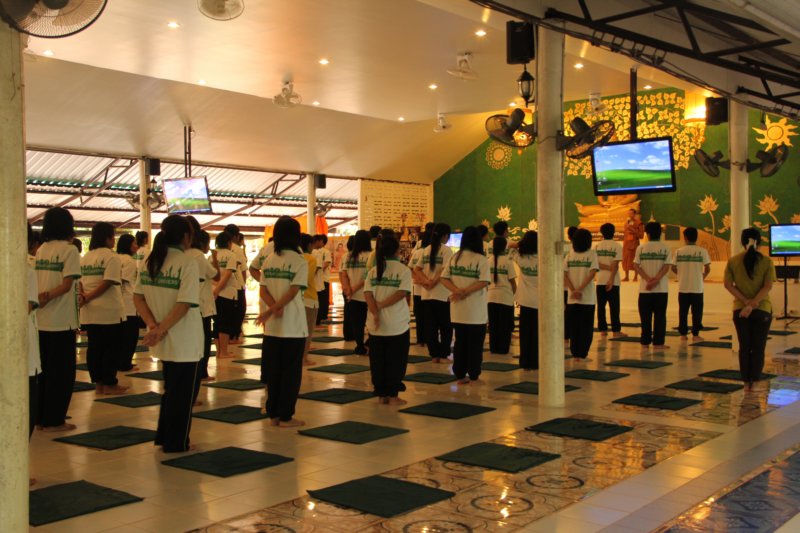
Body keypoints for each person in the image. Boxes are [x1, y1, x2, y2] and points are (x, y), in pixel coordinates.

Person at [135, 215, 203, 453]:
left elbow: (138, 297)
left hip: (163, 337)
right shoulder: (187, 262)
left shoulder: (150, 261)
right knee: (182, 394)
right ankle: (177, 442)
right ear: (186, 236)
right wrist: (159, 329)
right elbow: (184, 304)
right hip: (184, 338)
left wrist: (153, 326)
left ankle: (165, 437)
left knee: (171, 390)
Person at [256, 216, 308, 428]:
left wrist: (271, 309)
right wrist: (275, 308)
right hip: (293, 326)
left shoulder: (269, 260)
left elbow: (263, 290)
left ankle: (274, 415)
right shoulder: (299, 260)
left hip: (273, 327)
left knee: (274, 373)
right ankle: (286, 416)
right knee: (290, 373)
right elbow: (293, 291)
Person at [35, 207, 81, 432]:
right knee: (61, 374)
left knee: (43, 371)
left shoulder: (42, 249)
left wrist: (40, 299)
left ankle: (41, 417)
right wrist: (46, 297)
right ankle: (55, 420)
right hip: (61, 320)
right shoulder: (69, 250)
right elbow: (66, 285)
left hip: (41, 320)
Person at [724, 228, 776, 391]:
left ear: (742, 242)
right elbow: (767, 286)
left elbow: (728, 285)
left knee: (744, 346)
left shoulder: (733, 261)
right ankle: (755, 381)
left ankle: (746, 382)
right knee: (758, 347)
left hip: (740, 310)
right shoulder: (767, 261)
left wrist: (746, 303)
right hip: (762, 309)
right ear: (759, 242)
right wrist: (753, 304)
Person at [80, 222, 127, 395]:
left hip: (90, 310)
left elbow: (80, 282)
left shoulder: (86, 257)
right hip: (109, 311)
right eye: (113, 236)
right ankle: (109, 383)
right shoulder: (111, 257)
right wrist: (88, 297)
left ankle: (98, 382)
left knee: (95, 347)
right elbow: (107, 282)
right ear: (108, 238)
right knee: (111, 349)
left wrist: (84, 297)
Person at [365, 234, 412, 405]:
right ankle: (393, 395)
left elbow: (368, 295)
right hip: (397, 323)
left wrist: (376, 313)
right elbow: (401, 293)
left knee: (378, 361)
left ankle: (381, 394)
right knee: (396, 360)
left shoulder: (373, 270)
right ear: (397, 250)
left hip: (375, 325)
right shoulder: (403, 270)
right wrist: (382, 305)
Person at [441, 226, 490, 384]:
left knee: (460, 342)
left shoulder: (455, 258)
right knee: (475, 344)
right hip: (476, 310)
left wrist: (457, 291)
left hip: (458, 308)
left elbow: (444, 278)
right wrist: (464, 291)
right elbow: (483, 281)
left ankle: (460, 373)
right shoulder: (481, 259)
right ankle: (474, 374)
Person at [185, 217, 218, 387]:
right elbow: (216, 276)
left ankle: (196, 373)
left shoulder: (180, 254)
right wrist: (215, 258)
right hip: (201, 306)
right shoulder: (198, 256)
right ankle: (201, 373)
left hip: (185, 305)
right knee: (203, 341)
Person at [414, 223, 453, 363]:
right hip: (442, 294)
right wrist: (432, 282)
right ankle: (443, 354)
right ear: (445, 236)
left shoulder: (426, 249)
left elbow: (417, 269)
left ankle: (434, 355)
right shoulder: (446, 250)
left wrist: (426, 281)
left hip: (426, 294)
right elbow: (444, 270)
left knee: (430, 326)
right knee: (445, 327)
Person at [634, 222, 674, 349]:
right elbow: (666, 267)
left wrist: (648, 280)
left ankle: (645, 342)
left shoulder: (641, 248)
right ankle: (658, 343)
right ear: (660, 233)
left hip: (645, 290)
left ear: (647, 234)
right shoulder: (666, 248)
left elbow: (636, 266)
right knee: (660, 317)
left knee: (645, 317)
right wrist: (656, 280)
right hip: (661, 289)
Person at [564, 228, 599, 360]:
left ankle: (575, 354)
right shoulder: (592, 254)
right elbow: (592, 273)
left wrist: (573, 290)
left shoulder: (570, 255)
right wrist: (580, 289)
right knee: (586, 327)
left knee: (574, 327)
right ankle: (582, 353)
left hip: (572, 298)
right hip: (587, 297)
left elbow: (564, 274)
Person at [672, 227, 711, 341]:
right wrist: (702, 277)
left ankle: (683, 334)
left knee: (683, 311)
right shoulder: (702, 251)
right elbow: (707, 268)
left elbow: (673, 267)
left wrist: (680, 274)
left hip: (683, 287)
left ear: (685, 238)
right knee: (697, 312)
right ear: (696, 237)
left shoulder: (679, 251)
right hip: (697, 287)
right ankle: (696, 334)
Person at [341, 230, 371, 354]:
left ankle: (360, 346)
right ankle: (368, 343)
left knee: (357, 323)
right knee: (370, 322)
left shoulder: (348, 256)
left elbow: (344, 274)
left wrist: (348, 289)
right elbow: (369, 277)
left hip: (353, 296)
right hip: (369, 295)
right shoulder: (372, 255)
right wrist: (352, 289)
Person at [27, 224, 41, 485]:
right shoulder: (24, 269)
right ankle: (14, 468)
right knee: (24, 412)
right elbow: (26, 306)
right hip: (21, 353)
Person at [211, 231, 240, 359]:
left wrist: (215, 290)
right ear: (229, 243)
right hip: (227, 293)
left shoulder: (212, 256)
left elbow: (211, 275)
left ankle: (219, 352)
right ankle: (224, 352)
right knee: (225, 323)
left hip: (213, 293)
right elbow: (227, 275)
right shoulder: (231, 255)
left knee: (217, 323)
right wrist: (218, 290)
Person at [487, 236, 517, 354]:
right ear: (505, 247)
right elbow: (512, 282)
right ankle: (503, 349)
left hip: (491, 296)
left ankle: (493, 348)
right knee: (504, 325)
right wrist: (515, 296)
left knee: (493, 324)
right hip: (505, 297)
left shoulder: (488, 260)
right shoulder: (508, 261)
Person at [595, 223, 625, 337]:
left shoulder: (597, 246)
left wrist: (606, 268)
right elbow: (615, 265)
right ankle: (616, 331)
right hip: (614, 281)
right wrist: (611, 279)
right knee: (614, 307)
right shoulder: (617, 246)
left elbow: (596, 264)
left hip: (600, 280)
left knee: (601, 306)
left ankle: (603, 330)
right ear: (613, 232)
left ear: (601, 233)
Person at [514, 231, 539, 370]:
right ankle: (536, 361)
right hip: (540, 302)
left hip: (525, 301)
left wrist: (520, 244)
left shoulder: (521, 258)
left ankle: (525, 362)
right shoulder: (544, 258)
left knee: (525, 334)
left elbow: (508, 246)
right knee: (537, 334)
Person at [116, 233, 140, 372]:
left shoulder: (115, 258)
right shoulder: (129, 261)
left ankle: (121, 361)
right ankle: (125, 363)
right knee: (130, 336)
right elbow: (123, 280)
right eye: (134, 243)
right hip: (128, 302)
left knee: (120, 336)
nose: (136, 246)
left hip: (119, 303)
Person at [409, 224, 433, 345]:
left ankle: (421, 339)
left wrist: (418, 280)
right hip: (430, 290)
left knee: (419, 316)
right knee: (429, 317)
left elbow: (411, 268)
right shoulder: (433, 252)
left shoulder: (417, 252)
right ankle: (429, 339)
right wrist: (426, 281)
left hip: (418, 289)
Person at [224, 224, 247, 343]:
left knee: (226, 312)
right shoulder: (237, 249)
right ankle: (233, 336)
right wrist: (243, 284)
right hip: (237, 284)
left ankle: (227, 337)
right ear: (235, 236)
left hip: (223, 285)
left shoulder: (219, 249)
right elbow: (243, 269)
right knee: (239, 310)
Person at [300, 233, 318, 366]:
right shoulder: (310, 259)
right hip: (309, 298)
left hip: (294, 299)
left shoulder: (293, 257)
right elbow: (306, 279)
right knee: (307, 331)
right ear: (309, 245)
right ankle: (303, 358)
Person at [312, 234, 331, 324]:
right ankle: (320, 316)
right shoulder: (315, 252)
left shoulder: (325, 252)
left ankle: (322, 315)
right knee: (320, 298)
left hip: (323, 278)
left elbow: (326, 263)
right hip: (319, 278)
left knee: (322, 298)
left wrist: (320, 272)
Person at [622, 209, 644, 281]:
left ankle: (635, 277)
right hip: (626, 244)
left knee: (635, 259)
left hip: (634, 244)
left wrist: (632, 230)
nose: (629, 214)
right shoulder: (627, 222)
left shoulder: (639, 223)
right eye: (628, 213)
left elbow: (641, 235)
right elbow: (626, 233)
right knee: (625, 260)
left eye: (631, 213)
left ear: (634, 214)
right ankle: (626, 277)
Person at [340, 235, 355, 341]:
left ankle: (348, 334)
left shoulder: (345, 256)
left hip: (346, 288)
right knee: (353, 312)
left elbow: (341, 273)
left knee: (348, 311)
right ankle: (352, 333)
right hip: (353, 288)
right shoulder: (350, 256)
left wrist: (344, 287)